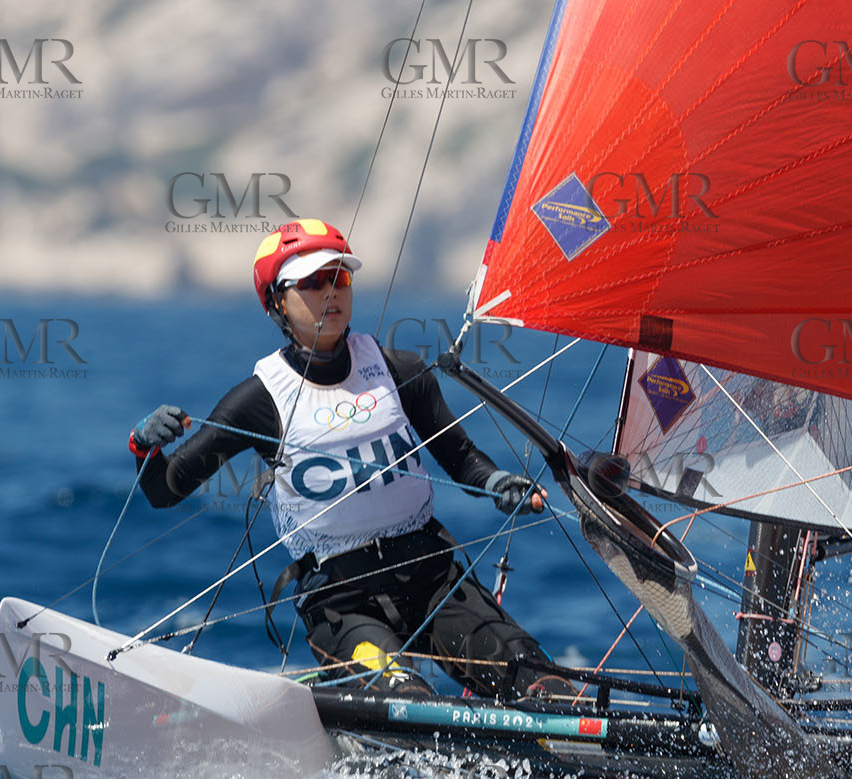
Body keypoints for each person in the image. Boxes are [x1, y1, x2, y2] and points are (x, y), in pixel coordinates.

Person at [126, 217, 565, 699]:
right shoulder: (258, 400)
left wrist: (498, 482)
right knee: (407, 699)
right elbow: (165, 491)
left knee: (540, 682)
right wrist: (143, 445)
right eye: (312, 282)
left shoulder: (400, 370)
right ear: (276, 302)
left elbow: (460, 458)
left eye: (340, 277)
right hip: (340, 599)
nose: (330, 292)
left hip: (433, 575)